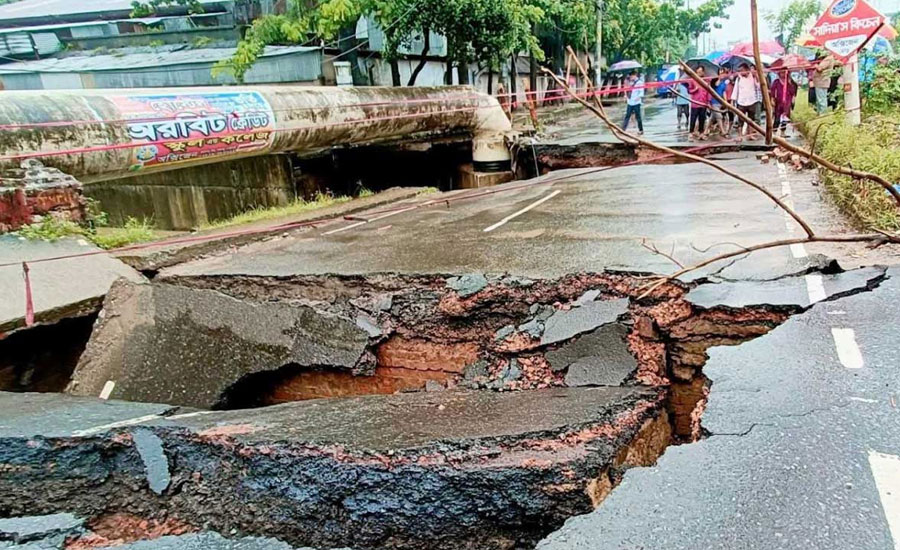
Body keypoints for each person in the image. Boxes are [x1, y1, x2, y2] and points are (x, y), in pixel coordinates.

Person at [730, 62, 762, 141]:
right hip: (741, 102)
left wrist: (757, 76)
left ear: (746, 69)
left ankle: (750, 135)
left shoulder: (753, 76)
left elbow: (759, 86)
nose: (740, 72)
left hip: (752, 101)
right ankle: (740, 136)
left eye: (742, 70)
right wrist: (732, 101)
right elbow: (735, 90)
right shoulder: (739, 78)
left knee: (751, 120)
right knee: (740, 120)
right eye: (739, 70)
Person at [770, 68, 798, 137]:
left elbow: (793, 92)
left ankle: (783, 132)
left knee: (785, 118)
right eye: (781, 72)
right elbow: (773, 91)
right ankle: (774, 131)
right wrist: (772, 99)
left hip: (787, 103)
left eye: (784, 72)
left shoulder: (790, 82)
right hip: (778, 102)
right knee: (777, 118)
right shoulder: (776, 82)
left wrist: (789, 83)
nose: (782, 74)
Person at [706, 67, 730, 138]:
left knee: (712, 118)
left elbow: (724, 92)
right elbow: (716, 85)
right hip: (714, 102)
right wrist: (719, 78)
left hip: (720, 102)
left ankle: (705, 131)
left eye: (723, 73)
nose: (722, 75)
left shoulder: (724, 83)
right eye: (721, 73)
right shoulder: (714, 81)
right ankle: (723, 131)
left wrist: (725, 102)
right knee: (719, 117)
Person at [687, 65, 710, 140]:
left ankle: (701, 133)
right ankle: (691, 133)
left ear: (703, 72)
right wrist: (695, 89)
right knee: (693, 119)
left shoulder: (706, 80)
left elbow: (709, 92)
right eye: (698, 72)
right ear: (696, 72)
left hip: (703, 103)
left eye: (701, 72)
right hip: (695, 103)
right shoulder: (692, 80)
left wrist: (708, 102)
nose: (699, 73)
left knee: (702, 119)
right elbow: (689, 91)